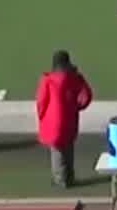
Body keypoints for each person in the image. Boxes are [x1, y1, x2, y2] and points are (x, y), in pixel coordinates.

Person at [34, 50, 93, 189]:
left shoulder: (48, 80)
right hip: (70, 118)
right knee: (68, 148)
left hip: (52, 120)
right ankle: (69, 177)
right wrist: (78, 107)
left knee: (57, 151)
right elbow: (87, 95)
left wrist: (42, 116)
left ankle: (60, 180)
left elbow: (41, 101)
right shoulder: (75, 77)